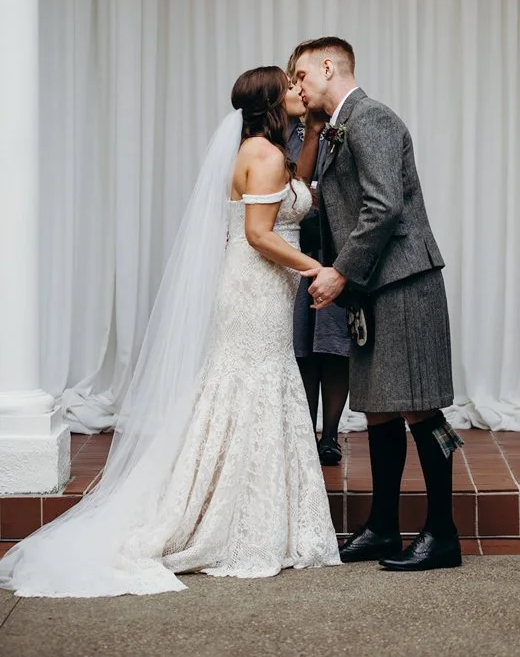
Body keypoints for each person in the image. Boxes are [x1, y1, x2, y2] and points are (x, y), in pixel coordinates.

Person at [0, 66, 340, 598]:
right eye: (290, 86)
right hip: (254, 289)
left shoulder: (261, 151)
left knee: (248, 384)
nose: (300, 89)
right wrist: (315, 268)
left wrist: (314, 133)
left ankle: (245, 509)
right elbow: (258, 234)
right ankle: (231, 519)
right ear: (274, 101)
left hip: (259, 288)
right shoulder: (266, 156)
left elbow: (284, 199)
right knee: (249, 385)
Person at [294, 37, 463, 572]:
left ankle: (443, 535)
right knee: (380, 407)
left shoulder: (372, 118)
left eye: (301, 76)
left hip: (404, 283)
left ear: (327, 66)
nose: (297, 88)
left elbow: (383, 206)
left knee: (420, 405)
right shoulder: (336, 127)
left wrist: (340, 272)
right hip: (374, 287)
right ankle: (384, 528)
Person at [285, 48, 350, 466]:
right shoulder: (285, 132)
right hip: (300, 249)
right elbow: (293, 187)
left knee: (334, 344)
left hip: (337, 249)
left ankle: (331, 435)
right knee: (304, 343)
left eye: (301, 79)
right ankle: (305, 431)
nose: (298, 88)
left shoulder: (342, 125)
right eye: (292, 82)